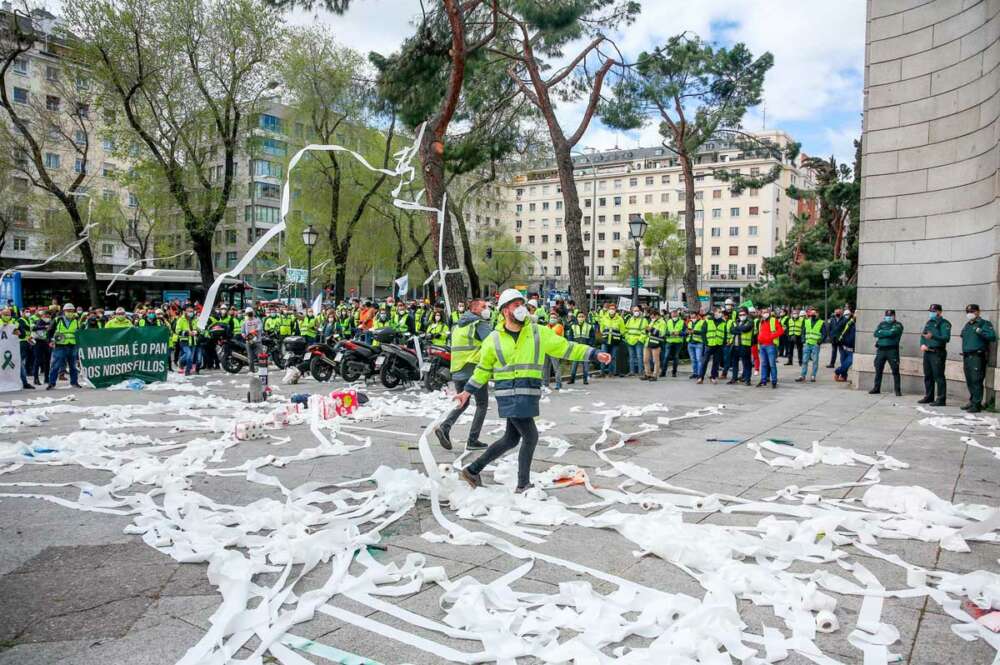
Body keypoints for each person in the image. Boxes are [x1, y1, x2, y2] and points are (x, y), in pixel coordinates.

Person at [454, 289, 610, 492]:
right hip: (509, 394)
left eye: (522, 304)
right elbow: (482, 370)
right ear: (504, 311)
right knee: (530, 436)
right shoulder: (493, 339)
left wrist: (594, 353)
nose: (521, 309)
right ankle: (523, 484)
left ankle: (473, 470)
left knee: (511, 439)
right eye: (515, 305)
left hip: (528, 393)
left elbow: (566, 347)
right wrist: (467, 391)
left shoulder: (538, 332)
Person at [435, 298, 493, 452]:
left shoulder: (457, 325)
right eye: (483, 306)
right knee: (482, 404)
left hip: (457, 370)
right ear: (474, 309)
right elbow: (493, 343)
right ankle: (472, 440)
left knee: (464, 402)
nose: (487, 309)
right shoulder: (479, 324)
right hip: (473, 370)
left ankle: (445, 427)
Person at [959, 304, 995, 412]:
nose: (970, 314)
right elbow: (963, 335)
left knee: (976, 380)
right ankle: (972, 400)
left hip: (977, 356)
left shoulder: (984, 323)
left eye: (972, 311)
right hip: (967, 356)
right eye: (968, 312)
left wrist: (980, 331)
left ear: (978, 312)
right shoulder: (967, 325)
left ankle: (977, 404)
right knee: (969, 380)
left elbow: (992, 336)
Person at [918, 304, 951, 406]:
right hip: (927, 352)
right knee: (928, 375)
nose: (931, 313)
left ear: (939, 312)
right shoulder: (929, 323)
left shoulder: (944, 323)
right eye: (931, 311)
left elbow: (946, 338)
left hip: (937, 352)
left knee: (938, 376)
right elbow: (923, 335)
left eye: (933, 311)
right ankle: (929, 396)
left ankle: (941, 399)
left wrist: (933, 336)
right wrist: (922, 344)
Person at [46, 303, 81, 390]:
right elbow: (49, 331)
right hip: (60, 346)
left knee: (73, 366)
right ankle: (51, 383)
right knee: (55, 365)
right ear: (64, 311)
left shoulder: (76, 320)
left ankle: (74, 382)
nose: (70, 312)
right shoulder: (57, 319)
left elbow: (79, 332)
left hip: (72, 345)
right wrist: (49, 341)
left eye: (72, 311)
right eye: (68, 311)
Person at [869, 309, 903, 395]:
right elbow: (876, 333)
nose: (889, 317)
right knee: (878, 369)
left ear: (894, 316)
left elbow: (893, 333)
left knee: (895, 370)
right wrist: (886, 332)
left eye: (890, 316)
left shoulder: (898, 325)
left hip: (892, 350)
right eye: (887, 316)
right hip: (881, 350)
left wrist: (882, 332)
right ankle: (876, 388)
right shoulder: (882, 324)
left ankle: (897, 390)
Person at [796, 307, 826, 384]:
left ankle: (813, 376)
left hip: (815, 345)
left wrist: (819, 342)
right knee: (805, 360)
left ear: (818, 314)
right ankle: (802, 376)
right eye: (811, 313)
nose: (813, 314)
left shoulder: (821, 322)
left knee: (815, 361)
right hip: (807, 344)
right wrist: (803, 341)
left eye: (814, 313)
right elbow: (803, 332)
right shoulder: (806, 321)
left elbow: (824, 334)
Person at [698, 308, 726, 384]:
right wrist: (706, 342)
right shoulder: (708, 321)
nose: (720, 313)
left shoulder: (723, 322)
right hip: (709, 345)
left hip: (719, 345)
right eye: (718, 312)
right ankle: (701, 377)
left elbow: (725, 334)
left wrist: (723, 343)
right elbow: (703, 332)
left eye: (721, 312)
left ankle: (713, 377)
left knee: (716, 363)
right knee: (704, 362)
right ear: (714, 312)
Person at [727, 307, 754, 385]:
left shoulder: (750, 321)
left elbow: (746, 329)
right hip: (735, 345)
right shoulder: (737, 321)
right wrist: (740, 330)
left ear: (747, 314)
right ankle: (734, 378)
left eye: (743, 314)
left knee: (746, 363)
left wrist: (737, 329)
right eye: (740, 314)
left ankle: (747, 380)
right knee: (734, 363)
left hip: (745, 346)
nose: (741, 316)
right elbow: (731, 330)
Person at [756, 308, 783, 388]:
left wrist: (771, 336)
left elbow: (780, 331)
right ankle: (763, 380)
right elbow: (760, 332)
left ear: (769, 313)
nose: (765, 313)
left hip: (770, 345)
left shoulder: (773, 320)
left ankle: (774, 381)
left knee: (772, 364)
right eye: (763, 312)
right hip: (762, 345)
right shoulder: (761, 321)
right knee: (764, 364)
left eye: (766, 312)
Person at [568, 311, 594, 384]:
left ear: (585, 317)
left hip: (586, 348)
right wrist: (571, 345)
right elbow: (570, 337)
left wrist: (590, 344)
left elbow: (592, 337)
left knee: (585, 365)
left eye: (582, 316)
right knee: (574, 364)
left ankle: (585, 380)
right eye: (579, 316)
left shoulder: (589, 326)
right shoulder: (573, 326)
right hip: (576, 348)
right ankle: (572, 379)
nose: (581, 318)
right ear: (577, 318)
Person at [599, 305, 625, 377]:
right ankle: (602, 372)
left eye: (613, 309)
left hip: (615, 341)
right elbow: (601, 329)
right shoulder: (604, 318)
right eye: (610, 309)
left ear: (616, 310)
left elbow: (622, 331)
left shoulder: (620, 319)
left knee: (613, 357)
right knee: (603, 356)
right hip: (605, 340)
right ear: (608, 309)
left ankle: (611, 372)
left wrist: (617, 335)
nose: (612, 310)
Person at [175, 306, 201, 376]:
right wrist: (187, 333)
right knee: (188, 354)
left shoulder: (195, 320)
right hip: (184, 341)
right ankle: (187, 370)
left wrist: (196, 332)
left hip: (193, 340)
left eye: (192, 311)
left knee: (190, 357)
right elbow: (177, 331)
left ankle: (185, 366)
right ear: (185, 312)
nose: (191, 313)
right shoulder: (181, 320)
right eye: (189, 311)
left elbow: (199, 329)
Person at [642, 309, 666, 381]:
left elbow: (662, 333)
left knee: (655, 360)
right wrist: (646, 329)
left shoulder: (662, 322)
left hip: (656, 343)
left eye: (653, 317)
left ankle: (655, 375)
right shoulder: (652, 321)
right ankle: (647, 374)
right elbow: (648, 331)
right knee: (645, 360)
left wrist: (651, 329)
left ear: (657, 315)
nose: (652, 318)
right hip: (648, 343)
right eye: (651, 317)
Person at [544, 307, 565, 390]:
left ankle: (558, 384)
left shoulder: (559, 326)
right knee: (545, 368)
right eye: (551, 317)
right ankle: (545, 383)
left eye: (554, 317)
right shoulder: (546, 326)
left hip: (555, 349)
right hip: (546, 349)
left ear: (557, 319)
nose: (552, 319)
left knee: (556, 367)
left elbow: (552, 335)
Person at [833, 308, 856, 383]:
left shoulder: (859, 324)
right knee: (843, 363)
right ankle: (844, 377)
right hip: (843, 347)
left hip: (852, 350)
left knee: (847, 363)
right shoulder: (847, 322)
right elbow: (837, 330)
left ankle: (837, 371)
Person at [624, 306, 647, 377]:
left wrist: (640, 340)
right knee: (631, 357)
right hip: (630, 341)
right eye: (634, 310)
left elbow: (644, 331)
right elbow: (626, 330)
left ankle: (640, 371)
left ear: (640, 311)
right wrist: (627, 338)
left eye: (637, 310)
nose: (636, 312)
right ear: (632, 312)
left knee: (639, 356)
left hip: (638, 341)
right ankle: (632, 371)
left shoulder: (644, 320)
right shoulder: (630, 319)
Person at [661, 309, 685, 378]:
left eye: (675, 314)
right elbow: (664, 332)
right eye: (672, 314)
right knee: (666, 357)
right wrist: (669, 333)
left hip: (678, 342)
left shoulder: (682, 322)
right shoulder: (668, 321)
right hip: (669, 342)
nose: (674, 315)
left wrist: (679, 333)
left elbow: (685, 332)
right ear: (671, 315)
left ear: (677, 314)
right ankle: (663, 372)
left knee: (676, 357)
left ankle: (674, 372)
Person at [241, 307, 265, 372]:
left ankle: (262, 370)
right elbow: (242, 332)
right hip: (248, 342)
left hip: (257, 341)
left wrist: (254, 331)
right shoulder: (244, 322)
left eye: (250, 313)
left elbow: (260, 328)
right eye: (248, 313)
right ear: (246, 314)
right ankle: (251, 371)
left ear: (253, 313)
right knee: (250, 358)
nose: (249, 315)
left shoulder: (257, 320)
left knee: (260, 357)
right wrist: (245, 336)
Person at [687, 311, 707, 379]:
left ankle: (699, 374)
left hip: (699, 343)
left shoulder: (702, 322)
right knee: (693, 359)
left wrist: (694, 331)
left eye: (694, 316)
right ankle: (695, 373)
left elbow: (704, 332)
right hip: (690, 343)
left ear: (697, 316)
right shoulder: (690, 322)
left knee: (699, 359)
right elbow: (688, 331)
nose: (692, 317)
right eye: (691, 316)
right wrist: (688, 332)